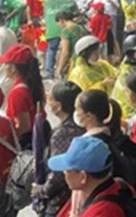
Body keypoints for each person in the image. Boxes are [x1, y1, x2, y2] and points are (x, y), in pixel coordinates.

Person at [32, 81, 85, 217]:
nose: (48, 103)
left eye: (51, 99)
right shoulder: (83, 126)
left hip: (59, 202)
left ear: (58, 107)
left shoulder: (63, 134)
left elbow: (58, 174)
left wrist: (41, 190)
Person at [49, 136, 129, 217]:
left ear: (83, 177)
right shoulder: (120, 186)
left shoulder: (102, 212)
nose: (64, 175)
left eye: (66, 171)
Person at [0, 44, 45, 148]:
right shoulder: (32, 83)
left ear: (13, 68)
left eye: (6, 64)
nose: (3, 67)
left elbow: (24, 127)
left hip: (29, 142)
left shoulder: (18, 93)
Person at [43, 0, 79, 79]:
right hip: (67, 29)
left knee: (51, 50)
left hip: (52, 28)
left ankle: (49, 71)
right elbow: (76, 13)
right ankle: (65, 70)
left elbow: (45, 14)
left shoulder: (48, 0)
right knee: (67, 50)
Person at [55, 10, 89, 80]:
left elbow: (65, 53)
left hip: (76, 62)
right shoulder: (82, 28)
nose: (58, 25)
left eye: (57, 23)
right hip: (86, 60)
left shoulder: (66, 31)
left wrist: (60, 68)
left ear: (61, 20)